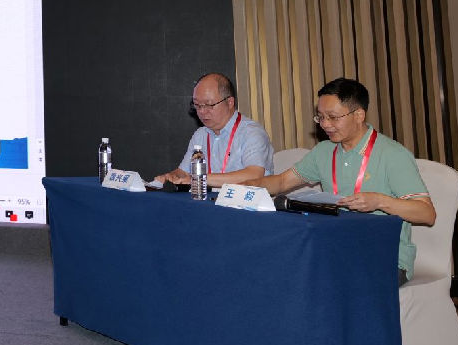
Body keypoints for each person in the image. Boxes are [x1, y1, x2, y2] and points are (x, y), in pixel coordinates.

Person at [245, 77, 435, 283]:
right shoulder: (324, 152)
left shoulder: (392, 155)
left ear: (359, 115)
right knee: (276, 265)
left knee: (320, 280)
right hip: (337, 248)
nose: (325, 124)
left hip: (384, 257)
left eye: (333, 117)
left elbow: (427, 214)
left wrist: (380, 201)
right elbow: (282, 182)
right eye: (320, 117)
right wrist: (249, 186)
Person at [154, 73, 274, 187]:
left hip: (245, 200)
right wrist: (171, 177)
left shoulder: (251, 132)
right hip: (209, 199)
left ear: (230, 102)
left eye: (209, 105)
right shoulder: (200, 135)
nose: (202, 111)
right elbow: (184, 172)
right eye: (197, 105)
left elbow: (254, 174)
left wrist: (201, 179)